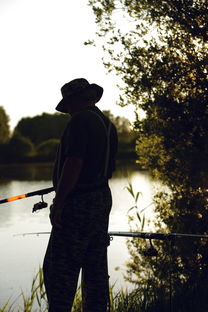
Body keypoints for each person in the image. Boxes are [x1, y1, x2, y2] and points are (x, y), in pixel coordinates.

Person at [43, 78, 118, 312]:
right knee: (94, 267)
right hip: (101, 198)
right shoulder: (106, 124)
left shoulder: (80, 120)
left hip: (79, 203)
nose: (68, 112)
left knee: (59, 271)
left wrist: (59, 202)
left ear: (75, 101)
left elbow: (74, 163)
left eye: (68, 105)